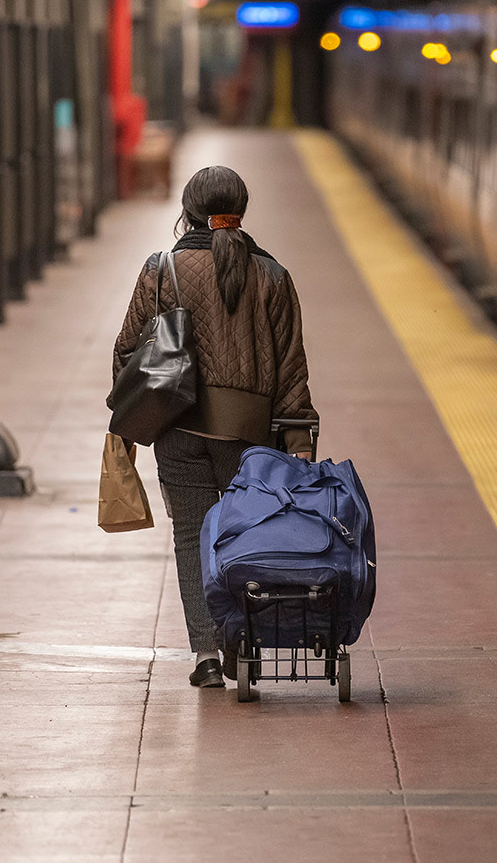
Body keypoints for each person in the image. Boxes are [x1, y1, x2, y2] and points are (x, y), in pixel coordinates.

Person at [111, 165, 317, 688]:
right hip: (249, 439)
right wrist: (297, 442)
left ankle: (205, 654)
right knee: (245, 537)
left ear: (187, 211)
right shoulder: (272, 275)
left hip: (177, 429)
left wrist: (143, 411)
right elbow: (291, 367)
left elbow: (126, 352)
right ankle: (241, 640)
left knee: (190, 537)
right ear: (241, 211)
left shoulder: (162, 270)